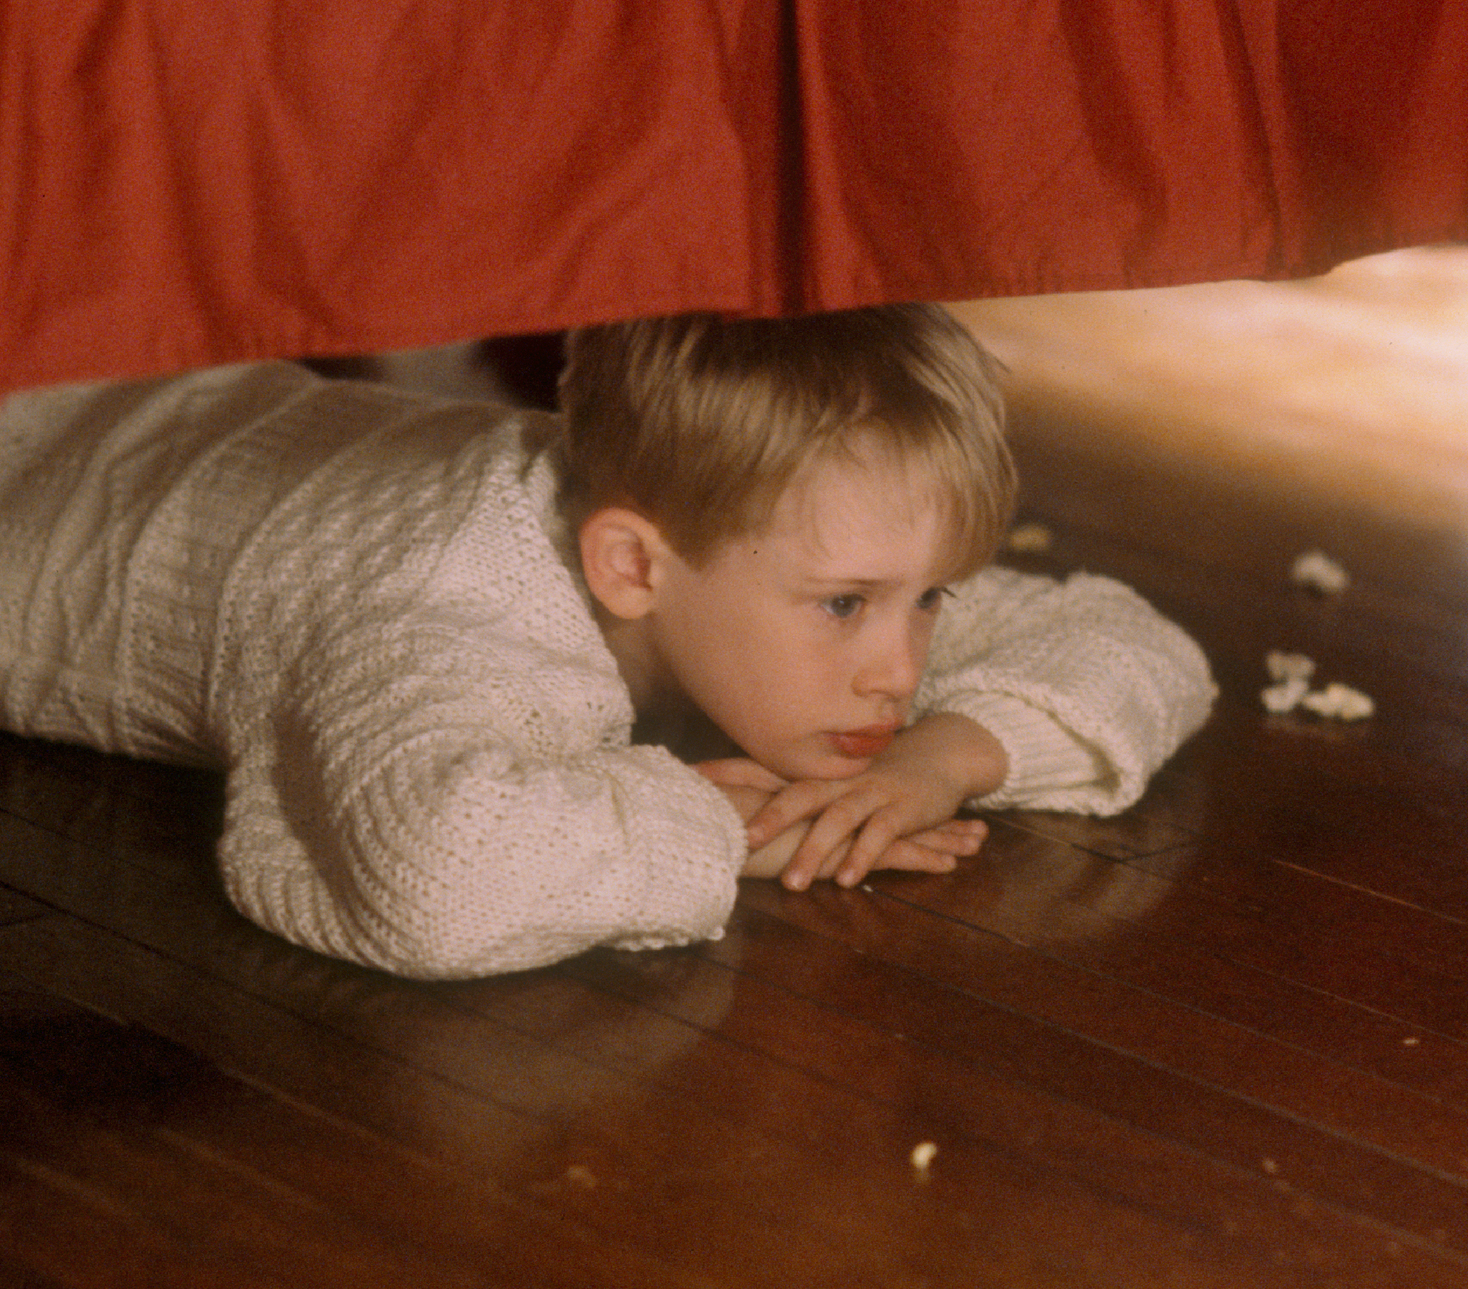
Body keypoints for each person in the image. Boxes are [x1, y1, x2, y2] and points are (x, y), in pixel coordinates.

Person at [0, 305, 1214, 979]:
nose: (898, 667)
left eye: (931, 596)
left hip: (167, 386)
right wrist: (706, 824)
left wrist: (937, 760)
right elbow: (436, 875)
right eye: (846, 606)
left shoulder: (737, 524)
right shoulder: (445, 613)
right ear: (630, 566)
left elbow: (1125, 639)